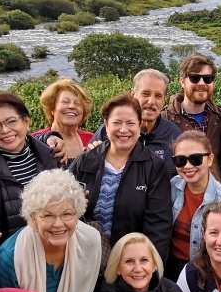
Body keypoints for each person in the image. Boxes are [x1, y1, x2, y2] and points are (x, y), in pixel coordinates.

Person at [0, 169, 105, 292]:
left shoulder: (90, 241)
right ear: (33, 218)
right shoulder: (10, 258)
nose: (58, 224)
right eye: (48, 215)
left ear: (78, 213)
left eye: (67, 214)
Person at [68, 94, 171, 262]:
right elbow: (63, 205)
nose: (124, 130)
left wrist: (150, 267)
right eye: (117, 123)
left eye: (130, 123)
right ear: (106, 125)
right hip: (85, 259)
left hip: (132, 262)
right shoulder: (86, 161)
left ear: (139, 125)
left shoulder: (153, 166)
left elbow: (159, 226)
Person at [0, 92, 59, 242]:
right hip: (18, 254)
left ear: (26, 121)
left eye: (11, 121)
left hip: (61, 245)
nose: (5, 130)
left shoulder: (52, 156)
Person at [167, 131, 221, 282]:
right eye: (180, 160)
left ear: (210, 159)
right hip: (170, 268)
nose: (188, 166)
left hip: (203, 273)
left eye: (195, 159)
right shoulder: (173, 186)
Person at [91, 69, 182, 165]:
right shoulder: (109, 131)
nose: (151, 101)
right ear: (133, 94)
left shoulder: (173, 134)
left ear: (164, 100)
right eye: (146, 94)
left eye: (158, 96)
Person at [163, 53, 221, 159]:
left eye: (208, 78)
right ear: (182, 82)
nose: (201, 83)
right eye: (194, 78)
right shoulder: (164, 120)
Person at [37, 78, 94, 165]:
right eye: (65, 102)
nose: (72, 106)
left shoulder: (92, 140)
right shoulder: (37, 141)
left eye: (77, 103)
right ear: (52, 108)